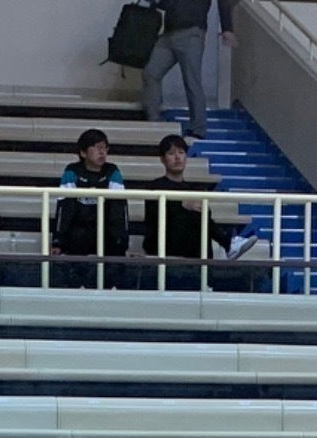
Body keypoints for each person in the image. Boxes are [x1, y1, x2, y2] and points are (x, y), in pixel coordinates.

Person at [136, 134, 219, 288]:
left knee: (200, 216)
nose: (177, 157)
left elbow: (207, 217)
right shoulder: (155, 186)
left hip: (191, 248)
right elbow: (155, 217)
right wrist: (182, 205)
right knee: (187, 214)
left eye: (181, 152)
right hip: (164, 242)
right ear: (163, 159)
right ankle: (227, 242)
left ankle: (209, 270)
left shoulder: (193, 189)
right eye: (171, 153)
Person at [53, 129, 125, 289]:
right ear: (83, 152)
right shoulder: (72, 171)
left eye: (104, 148)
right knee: (77, 237)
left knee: (114, 243)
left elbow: (119, 211)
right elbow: (64, 208)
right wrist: (57, 241)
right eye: (97, 147)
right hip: (78, 235)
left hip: (106, 233)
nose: (102, 152)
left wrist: (122, 242)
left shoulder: (112, 171)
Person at [142, 0, 218, 127]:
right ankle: (154, 119)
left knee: (191, 82)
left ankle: (198, 127)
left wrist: (227, 28)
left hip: (190, 32)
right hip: (170, 33)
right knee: (151, 73)